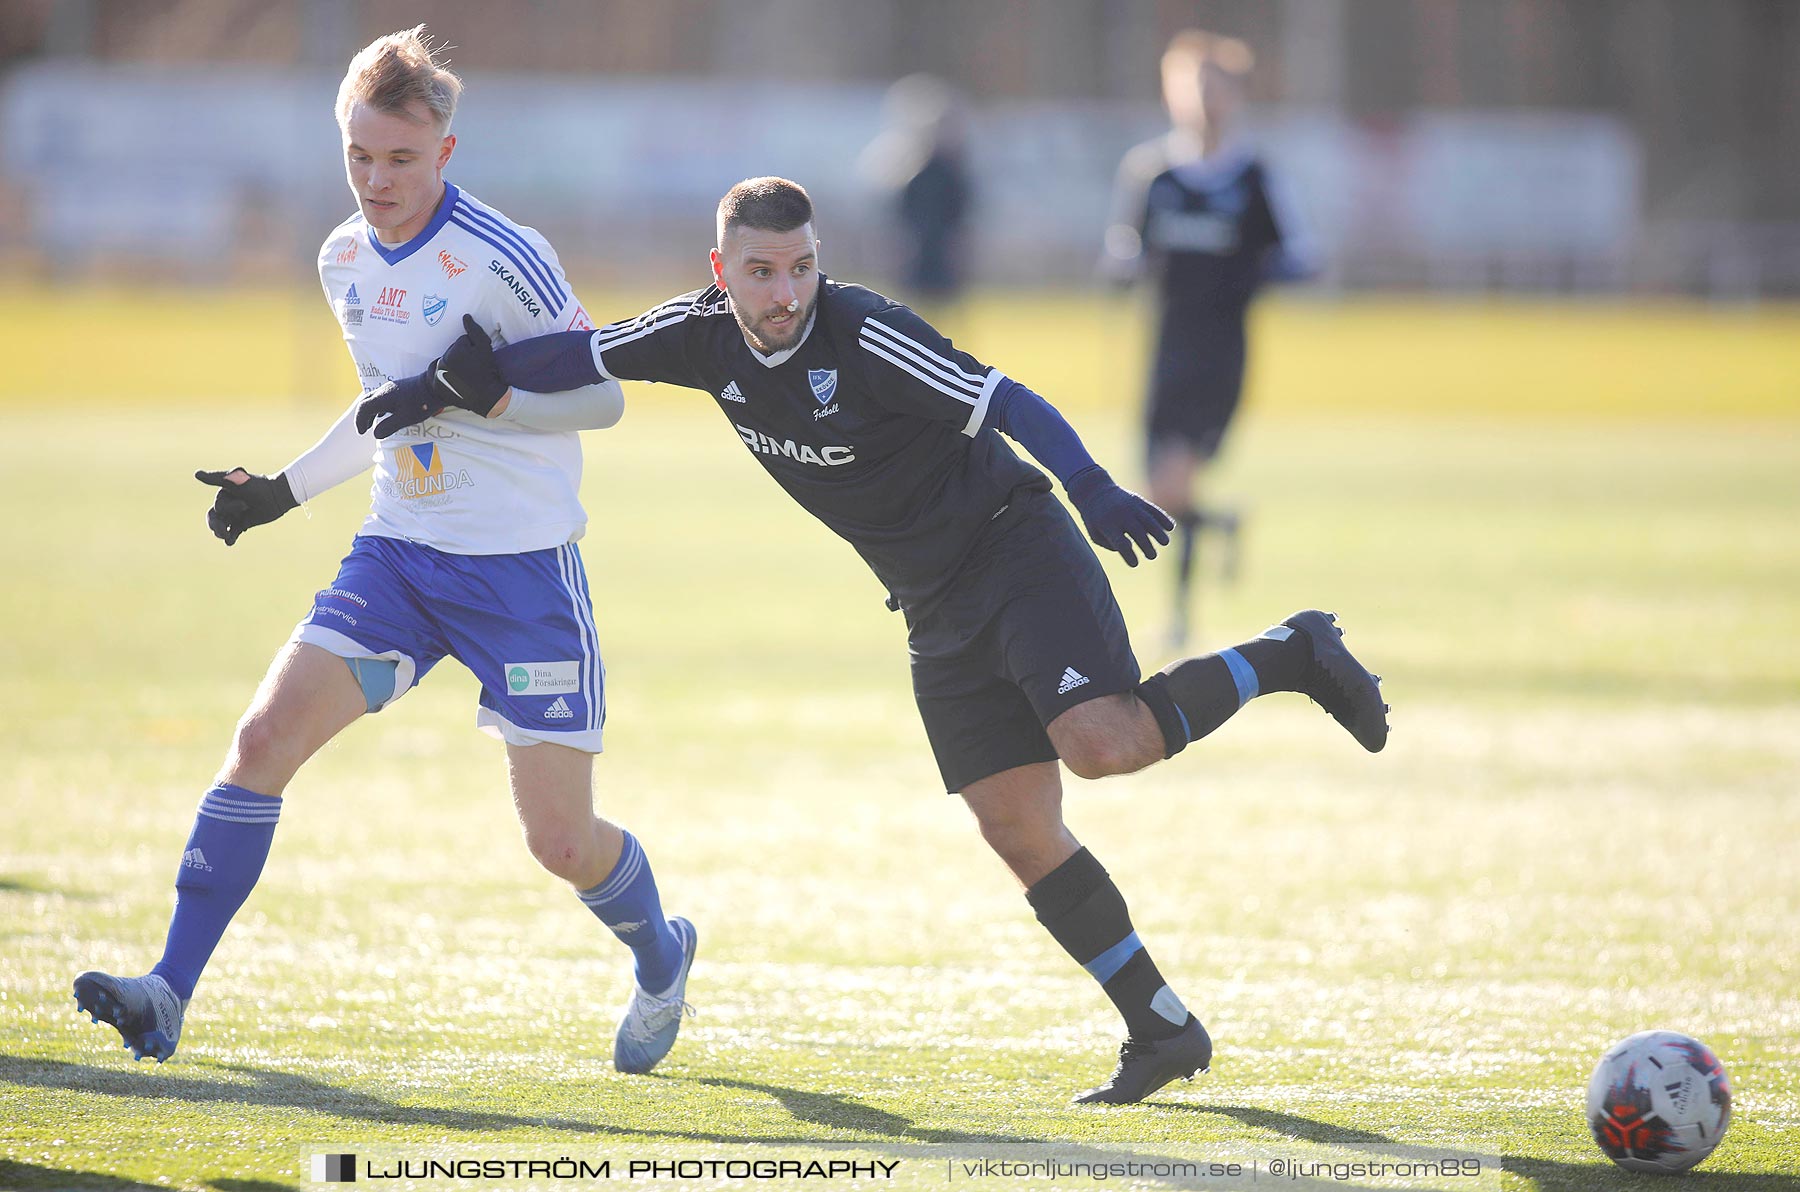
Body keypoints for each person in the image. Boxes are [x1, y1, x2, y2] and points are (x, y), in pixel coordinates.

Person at [363, 176, 1387, 1105]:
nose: (786, 291)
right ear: (722, 274)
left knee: (1103, 743)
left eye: (801, 266)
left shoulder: (860, 331)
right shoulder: (703, 334)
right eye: (761, 272)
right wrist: (437, 388)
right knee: (1019, 829)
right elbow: (575, 354)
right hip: (931, 607)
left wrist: (1090, 485)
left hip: (1013, 548)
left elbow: (1004, 396)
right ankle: (1162, 1030)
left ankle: (1291, 651)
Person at [71, 26, 698, 1078]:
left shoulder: (504, 258)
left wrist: (485, 389)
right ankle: (167, 991)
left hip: (522, 580)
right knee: (263, 739)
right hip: (400, 561)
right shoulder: (342, 258)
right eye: (359, 156)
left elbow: (603, 397)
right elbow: (384, 407)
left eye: (401, 159)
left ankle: (661, 951)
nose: (376, 179)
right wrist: (284, 488)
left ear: (445, 153)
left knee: (561, 842)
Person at [1103, 30, 1319, 645]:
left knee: (1172, 484)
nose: (1199, 100)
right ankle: (1218, 528)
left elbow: (1301, 253)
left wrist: (1257, 272)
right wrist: (1122, 269)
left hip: (1221, 353)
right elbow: (1126, 247)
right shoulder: (1153, 173)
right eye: (1187, 87)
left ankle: (1178, 618)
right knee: (1157, 494)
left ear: (1235, 96)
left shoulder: (1254, 178)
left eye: (1212, 88)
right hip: (1164, 348)